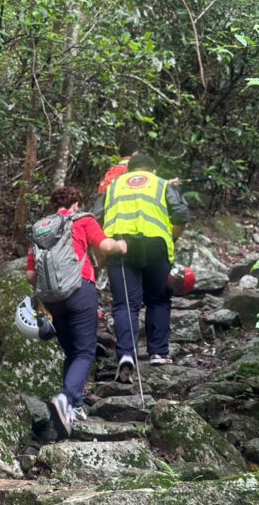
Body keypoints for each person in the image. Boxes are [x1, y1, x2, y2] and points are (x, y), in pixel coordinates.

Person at [26, 186, 127, 438]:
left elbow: (30, 275)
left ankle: (73, 407)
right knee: (85, 351)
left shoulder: (41, 228)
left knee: (72, 352)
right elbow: (104, 245)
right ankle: (66, 398)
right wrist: (121, 245)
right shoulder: (82, 220)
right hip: (80, 291)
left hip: (51, 300)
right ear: (76, 203)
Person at [94, 153, 191, 381]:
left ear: (129, 170)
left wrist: (103, 252)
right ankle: (158, 352)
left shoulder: (113, 186)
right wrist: (171, 237)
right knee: (158, 299)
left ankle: (126, 354)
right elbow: (181, 215)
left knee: (125, 303)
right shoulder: (161, 184)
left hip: (121, 244)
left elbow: (95, 218)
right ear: (153, 170)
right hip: (156, 243)